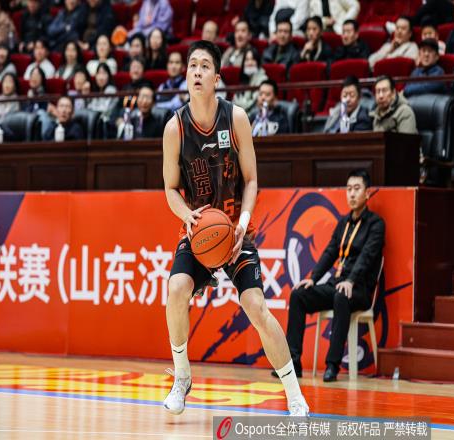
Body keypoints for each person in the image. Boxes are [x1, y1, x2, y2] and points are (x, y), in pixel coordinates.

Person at [161, 40, 309, 417]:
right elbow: (170, 189)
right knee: (176, 289)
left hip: (234, 230)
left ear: (217, 77)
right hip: (200, 229)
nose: (196, 71)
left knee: (256, 306)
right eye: (192, 65)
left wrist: (242, 223)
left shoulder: (236, 118)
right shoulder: (174, 128)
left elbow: (252, 179)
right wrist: (187, 216)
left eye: (204, 66)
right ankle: (182, 377)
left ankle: (294, 394)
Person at [280, 169, 384, 382]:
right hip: (338, 284)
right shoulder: (343, 223)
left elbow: (367, 256)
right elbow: (330, 252)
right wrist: (313, 278)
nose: (352, 193)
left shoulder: (376, 224)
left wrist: (351, 280)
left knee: (341, 296)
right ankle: (293, 363)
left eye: (357, 189)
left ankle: (332, 365)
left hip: (359, 289)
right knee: (299, 295)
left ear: (367, 193)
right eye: (349, 189)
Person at [233, 48, 268, 113]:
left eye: (252, 59)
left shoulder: (263, 80)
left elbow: (253, 104)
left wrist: (238, 105)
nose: (249, 63)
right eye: (247, 60)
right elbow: (235, 99)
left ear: (257, 62)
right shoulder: (244, 78)